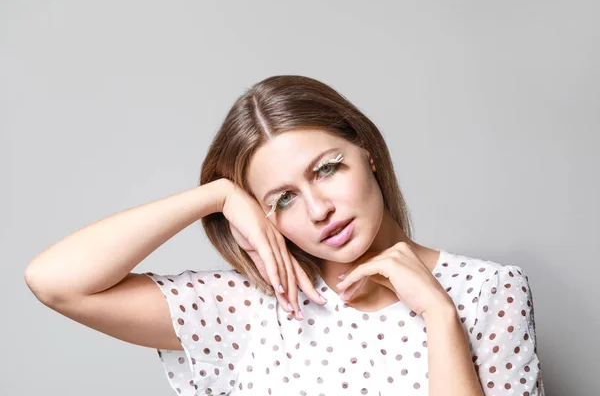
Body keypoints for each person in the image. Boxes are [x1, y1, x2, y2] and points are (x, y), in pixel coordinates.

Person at [24, 75, 544, 395]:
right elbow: (55, 281)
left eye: (328, 169)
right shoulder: (248, 307)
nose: (319, 210)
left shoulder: (488, 291)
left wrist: (437, 314)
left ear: (365, 150)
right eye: (283, 199)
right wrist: (217, 196)